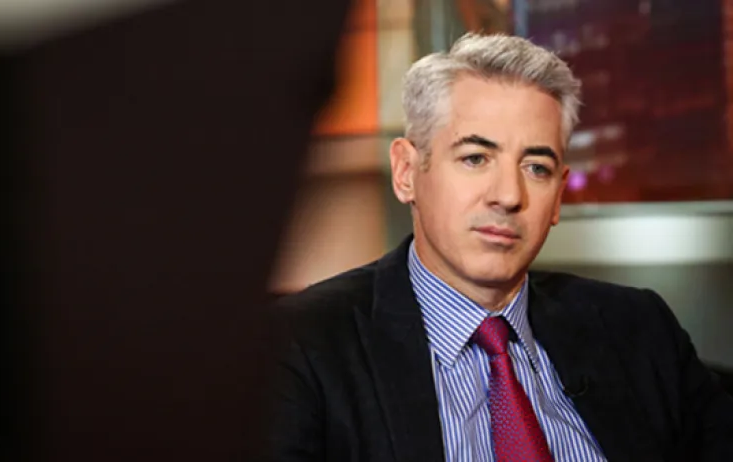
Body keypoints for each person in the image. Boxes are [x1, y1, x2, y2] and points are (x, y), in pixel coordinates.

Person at [267, 33, 733, 462]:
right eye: (475, 158)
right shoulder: (300, 347)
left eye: (536, 168)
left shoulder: (640, 330)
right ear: (407, 172)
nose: (509, 196)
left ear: (559, 195)